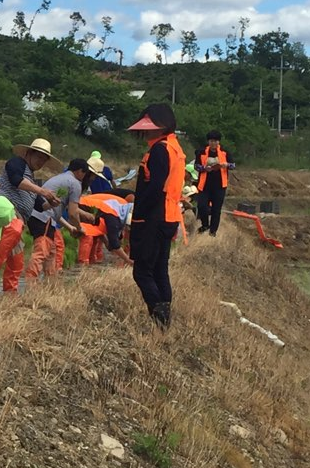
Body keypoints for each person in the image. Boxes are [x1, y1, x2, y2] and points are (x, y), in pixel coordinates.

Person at [127, 103, 186, 328]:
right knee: (160, 269)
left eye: (149, 126)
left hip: (154, 217)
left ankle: (159, 316)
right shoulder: (174, 147)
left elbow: (154, 189)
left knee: (142, 271)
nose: (145, 132)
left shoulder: (160, 150)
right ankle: (164, 319)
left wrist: (139, 215)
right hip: (169, 216)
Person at [0, 138, 61, 294]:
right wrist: (42, 191)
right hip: (6, 208)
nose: (41, 162)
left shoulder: (32, 180)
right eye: (39, 157)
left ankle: (9, 294)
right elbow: (15, 180)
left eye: (44, 160)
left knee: (17, 261)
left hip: (20, 218)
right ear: (29, 153)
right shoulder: (16, 163)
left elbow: (40, 206)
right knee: (14, 229)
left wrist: (50, 203)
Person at [25, 158, 98, 281]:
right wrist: (80, 229)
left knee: (52, 252)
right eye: (85, 174)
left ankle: (51, 284)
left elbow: (56, 212)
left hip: (39, 216)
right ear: (80, 171)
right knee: (41, 252)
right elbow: (73, 213)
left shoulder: (61, 179)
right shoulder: (75, 183)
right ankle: (30, 284)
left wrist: (70, 227)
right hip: (44, 217)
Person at [195, 130, 236, 236]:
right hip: (204, 185)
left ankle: (213, 232)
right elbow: (196, 166)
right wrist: (204, 168)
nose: (213, 143)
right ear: (208, 141)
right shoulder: (201, 151)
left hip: (219, 186)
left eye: (215, 141)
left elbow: (233, 165)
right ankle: (205, 224)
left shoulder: (225, 152)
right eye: (211, 141)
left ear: (219, 142)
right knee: (202, 206)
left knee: (216, 209)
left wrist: (226, 165)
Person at [78, 193, 134, 267]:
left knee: (95, 235)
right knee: (88, 237)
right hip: (79, 207)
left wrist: (107, 242)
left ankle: (90, 263)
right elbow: (114, 244)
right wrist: (128, 260)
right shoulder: (113, 217)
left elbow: (100, 228)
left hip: (87, 207)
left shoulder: (118, 208)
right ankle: (82, 265)